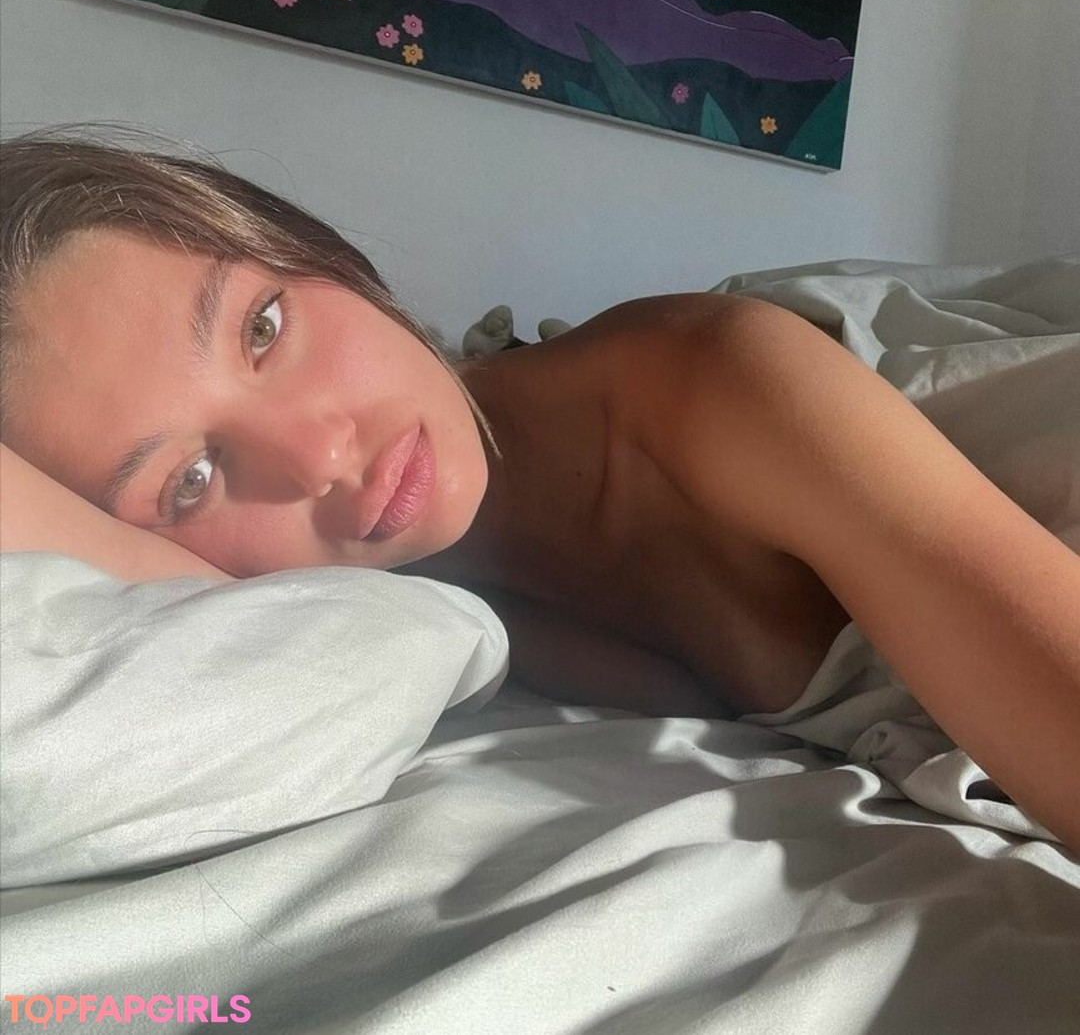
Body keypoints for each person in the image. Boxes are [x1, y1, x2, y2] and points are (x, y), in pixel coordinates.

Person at [1, 127, 1078, 852]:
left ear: (303, 248)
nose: (323, 459)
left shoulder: (716, 384)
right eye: (191, 479)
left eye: (264, 328)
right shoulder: (424, 608)